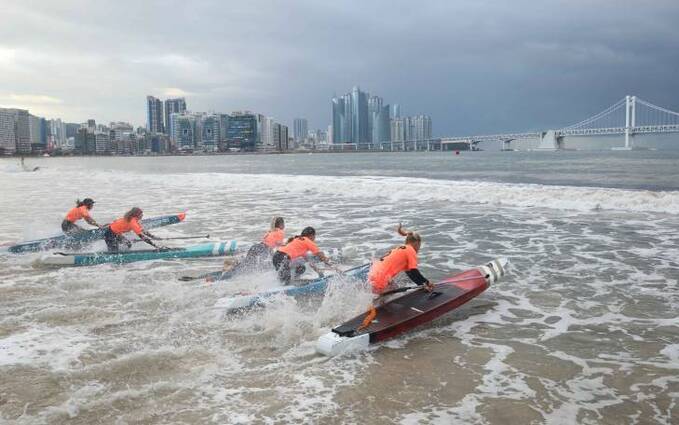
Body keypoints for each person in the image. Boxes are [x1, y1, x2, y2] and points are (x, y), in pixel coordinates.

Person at [368, 224, 434, 295]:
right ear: (416, 243)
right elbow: (414, 271)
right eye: (419, 246)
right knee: (384, 299)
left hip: (374, 273)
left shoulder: (401, 248)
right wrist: (427, 282)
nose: (418, 249)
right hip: (381, 277)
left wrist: (421, 285)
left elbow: (411, 274)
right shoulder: (410, 250)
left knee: (393, 292)